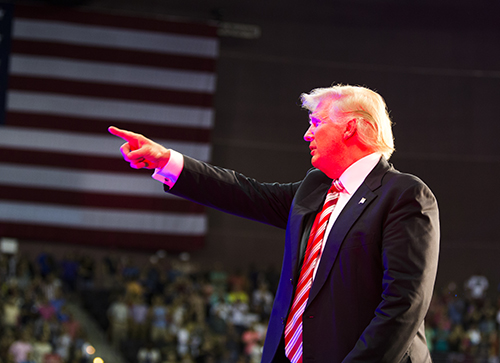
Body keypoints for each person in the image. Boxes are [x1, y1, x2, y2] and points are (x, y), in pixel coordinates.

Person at [109, 84, 440, 362]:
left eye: (316, 122)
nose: (307, 133)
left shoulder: (403, 195)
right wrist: (167, 161)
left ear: (350, 127)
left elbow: (403, 304)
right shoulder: (317, 188)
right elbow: (245, 193)